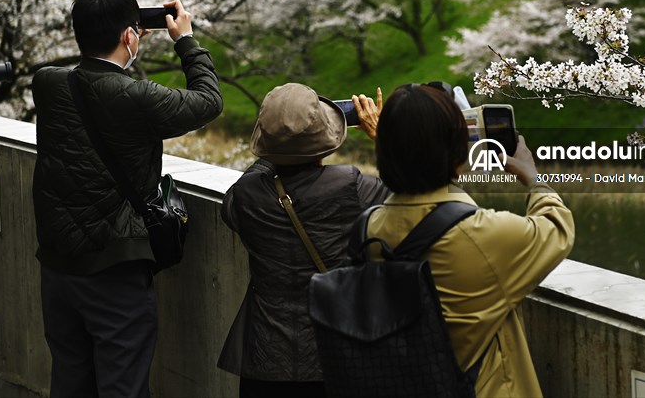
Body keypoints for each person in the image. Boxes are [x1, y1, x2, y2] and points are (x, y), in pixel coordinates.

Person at [32, 0, 222, 398]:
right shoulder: (135, 96)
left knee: (70, 379)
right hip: (113, 271)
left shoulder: (46, 84)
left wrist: (125, 37)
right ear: (129, 36)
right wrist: (185, 40)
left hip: (58, 266)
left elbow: (96, 84)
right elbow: (208, 100)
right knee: (123, 386)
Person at [365, 84, 575, 398]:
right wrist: (531, 176)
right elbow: (558, 226)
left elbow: (441, 214)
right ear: (458, 152)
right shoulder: (483, 236)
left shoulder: (369, 228)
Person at [218, 83, 390, 398]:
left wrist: (278, 143)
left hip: (266, 360)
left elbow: (236, 200)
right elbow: (407, 194)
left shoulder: (246, 195)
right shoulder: (350, 185)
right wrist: (382, 137)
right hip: (335, 353)